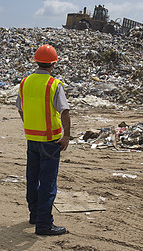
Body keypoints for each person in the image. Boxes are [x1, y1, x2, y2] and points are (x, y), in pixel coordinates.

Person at [16, 44, 70, 236]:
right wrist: (67, 135)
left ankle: (34, 215)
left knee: (32, 178)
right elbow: (64, 111)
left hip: (32, 139)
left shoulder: (24, 83)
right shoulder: (54, 84)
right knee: (47, 183)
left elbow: (21, 109)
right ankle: (44, 224)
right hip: (50, 141)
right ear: (53, 64)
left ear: (36, 61)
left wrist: (30, 124)